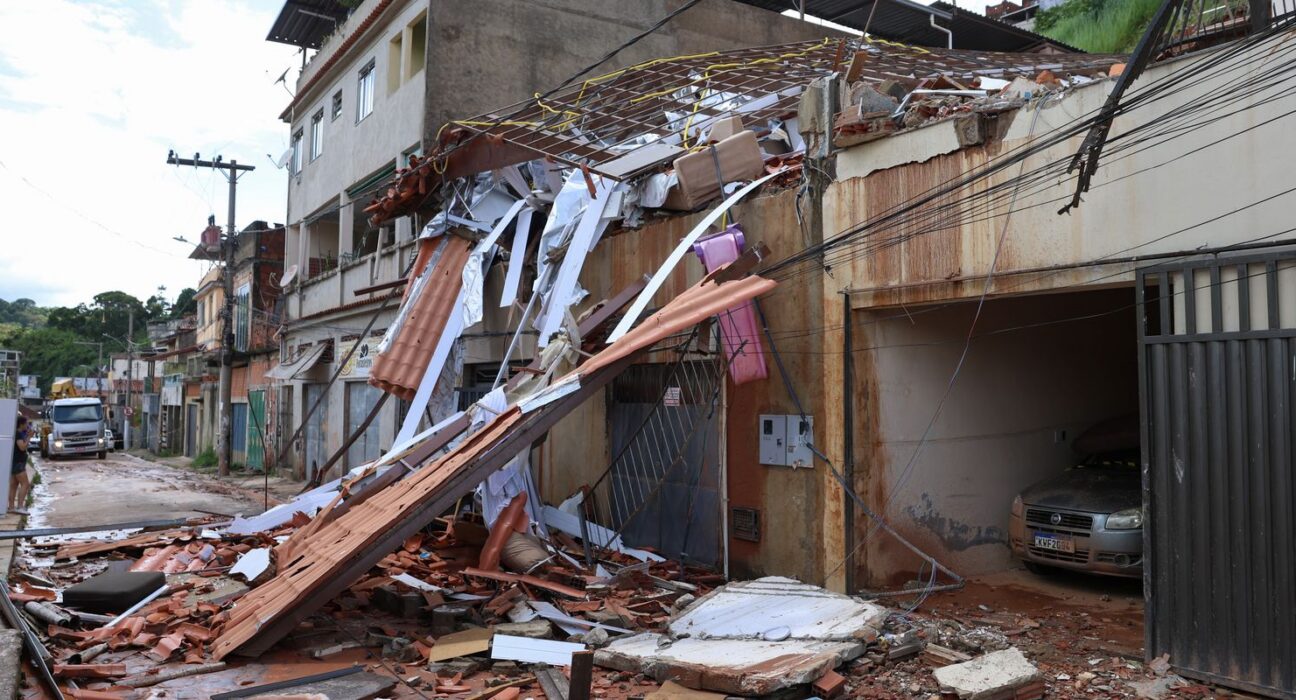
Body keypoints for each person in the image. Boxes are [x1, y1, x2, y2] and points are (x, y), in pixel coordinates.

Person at [10, 415, 31, 515]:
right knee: (25, 484)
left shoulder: (19, 433)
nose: (27, 425)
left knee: (14, 485)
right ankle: (20, 507)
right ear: (21, 424)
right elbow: (22, 447)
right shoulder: (18, 434)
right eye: (26, 423)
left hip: (15, 462)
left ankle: (11, 507)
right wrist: (29, 437)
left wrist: (27, 436)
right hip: (18, 463)